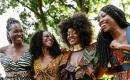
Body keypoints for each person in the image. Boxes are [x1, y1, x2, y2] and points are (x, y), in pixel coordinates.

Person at [58, 13, 97, 80]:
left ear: (82, 33)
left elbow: (101, 71)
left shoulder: (92, 50)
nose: (70, 36)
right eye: (68, 34)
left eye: (74, 32)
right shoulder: (65, 56)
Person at [96, 5, 130, 79]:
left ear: (114, 14)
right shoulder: (105, 43)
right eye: (99, 19)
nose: (101, 20)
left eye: (103, 16)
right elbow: (114, 70)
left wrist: (120, 46)